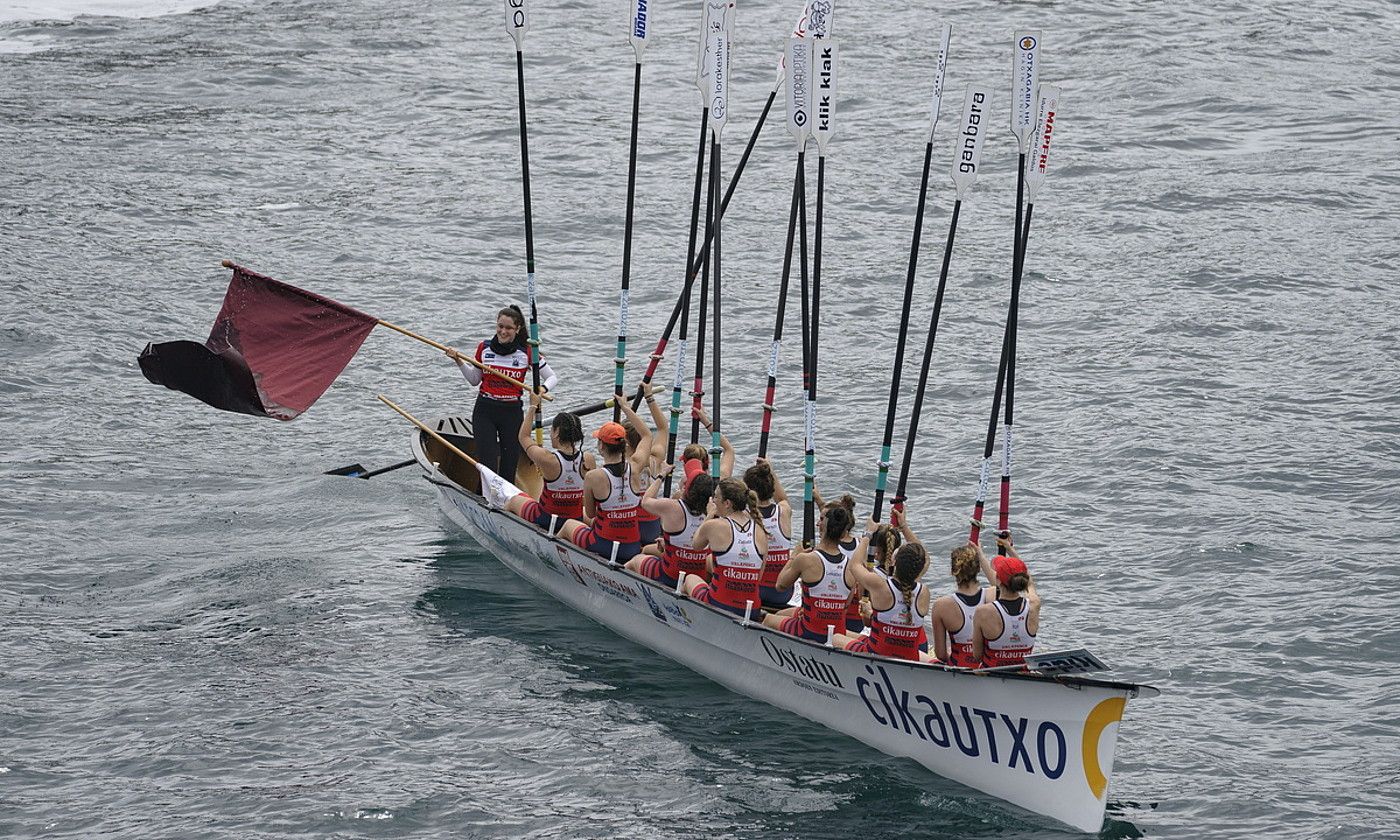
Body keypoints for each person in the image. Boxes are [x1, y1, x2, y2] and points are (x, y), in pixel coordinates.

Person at [447, 305, 557, 481]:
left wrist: (542, 390)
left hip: (511, 412)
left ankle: (506, 502)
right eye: (500, 326)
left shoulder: (527, 352)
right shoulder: (484, 348)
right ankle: (484, 497)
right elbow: (475, 380)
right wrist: (458, 361)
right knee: (487, 465)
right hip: (485, 410)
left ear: (517, 329)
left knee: (509, 465)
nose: (503, 331)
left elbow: (552, 377)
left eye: (508, 328)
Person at [551, 399, 652, 564]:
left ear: (601, 447)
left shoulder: (594, 476)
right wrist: (626, 408)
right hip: (632, 546)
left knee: (570, 524)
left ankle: (555, 563)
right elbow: (646, 435)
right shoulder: (635, 467)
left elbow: (591, 513)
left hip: (603, 545)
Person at [763, 501, 855, 642]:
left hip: (808, 631)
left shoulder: (805, 559)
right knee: (783, 613)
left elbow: (780, 585)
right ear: (843, 535)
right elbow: (845, 606)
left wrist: (793, 556)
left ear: (822, 528)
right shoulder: (852, 567)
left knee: (769, 619)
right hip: (837, 632)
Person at [843, 518, 933, 662]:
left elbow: (854, 565)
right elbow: (926, 558)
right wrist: (903, 526)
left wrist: (867, 536)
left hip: (882, 648)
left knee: (837, 636)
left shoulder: (878, 583)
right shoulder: (923, 591)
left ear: (893, 561)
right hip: (918, 646)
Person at [500, 394, 593, 534]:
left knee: (514, 500)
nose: (550, 435)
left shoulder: (547, 459)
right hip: (575, 520)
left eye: (551, 431)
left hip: (546, 519)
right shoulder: (588, 459)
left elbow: (523, 437)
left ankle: (504, 532)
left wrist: (532, 406)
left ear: (556, 432)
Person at [681, 478, 769, 617]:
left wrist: (710, 514)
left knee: (690, 578)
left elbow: (695, 545)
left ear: (727, 503)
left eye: (716, 497)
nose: (713, 500)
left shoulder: (715, 525)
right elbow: (757, 578)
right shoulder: (760, 531)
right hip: (751, 609)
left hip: (719, 604)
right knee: (713, 562)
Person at [625, 463, 716, 589]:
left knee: (636, 560)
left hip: (669, 576)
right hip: (698, 577)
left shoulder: (672, 507)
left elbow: (645, 501)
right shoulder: (714, 514)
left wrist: (661, 475)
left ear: (687, 489)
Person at [970, 533, 1041, 669]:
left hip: (991, 675)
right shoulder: (1034, 604)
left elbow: (977, 655)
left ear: (998, 581)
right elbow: (1030, 582)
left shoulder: (983, 612)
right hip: (1022, 675)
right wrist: (1010, 549)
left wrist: (979, 553)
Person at [930, 541, 994, 666]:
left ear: (953, 571)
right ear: (979, 568)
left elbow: (941, 654)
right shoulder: (992, 595)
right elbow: (1000, 583)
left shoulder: (941, 605)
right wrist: (980, 554)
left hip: (960, 666)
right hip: (985, 668)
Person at [746, 458, 796, 610]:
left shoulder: (743, 515)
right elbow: (781, 498)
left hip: (757, 591)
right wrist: (770, 471)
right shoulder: (784, 511)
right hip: (783, 594)